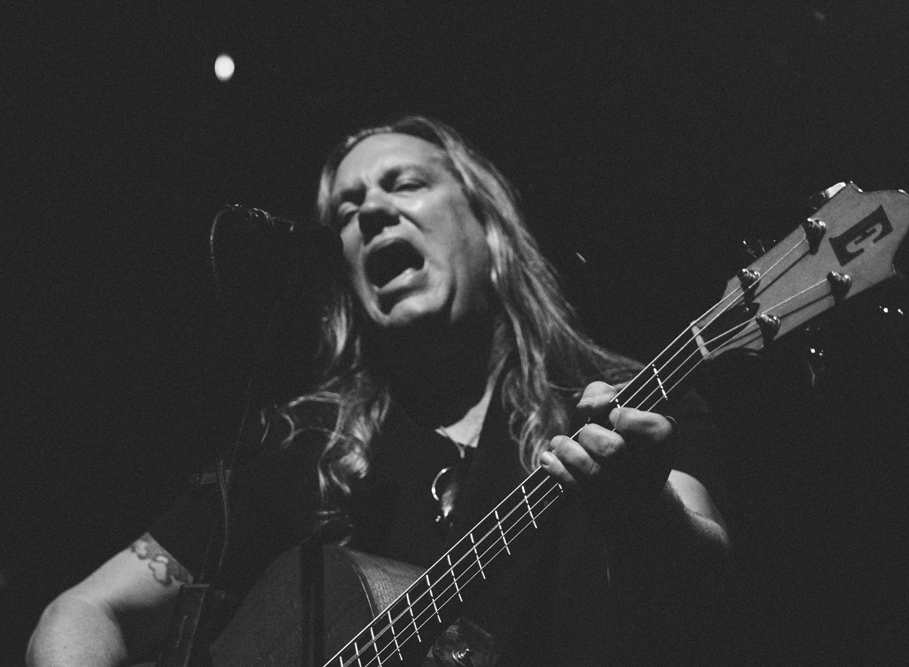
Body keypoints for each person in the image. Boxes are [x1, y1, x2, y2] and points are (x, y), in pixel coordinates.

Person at [26, 116, 731, 667]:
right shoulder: (302, 445)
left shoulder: (619, 399)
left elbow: (710, 582)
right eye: (346, 210)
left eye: (407, 184)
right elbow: (84, 611)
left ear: (489, 229)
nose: (372, 214)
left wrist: (645, 510)